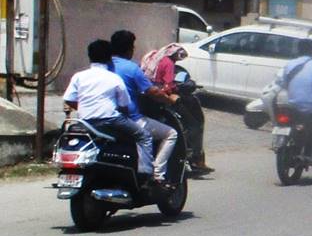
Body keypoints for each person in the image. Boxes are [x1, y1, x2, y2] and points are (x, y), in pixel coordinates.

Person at [63, 40, 154, 178]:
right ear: (109, 58)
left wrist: (83, 108)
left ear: (89, 56)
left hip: (86, 122)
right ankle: (145, 175)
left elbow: (69, 99)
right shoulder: (114, 78)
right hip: (111, 120)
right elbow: (124, 106)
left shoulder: (79, 76)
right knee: (144, 136)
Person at [110, 30, 179, 187]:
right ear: (129, 49)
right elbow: (152, 92)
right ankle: (156, 175)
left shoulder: (104, 67)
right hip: (130, 119)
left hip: (104, 119)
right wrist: (169, 100)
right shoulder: (132, 68)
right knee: (171, 134)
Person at [141, 44, 213, 173]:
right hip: (163, 97)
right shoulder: (168, 62)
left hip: (149, 97)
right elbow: (169, 85)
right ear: (173, 54)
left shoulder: (155, 59)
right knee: (193, 124)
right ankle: (195, 156)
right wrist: (175, 90)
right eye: (178, 56)